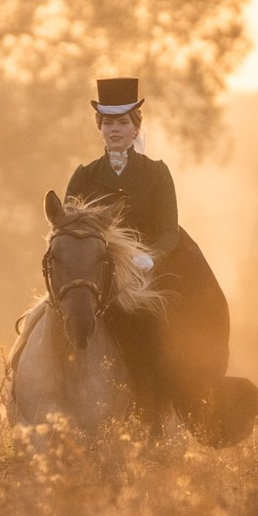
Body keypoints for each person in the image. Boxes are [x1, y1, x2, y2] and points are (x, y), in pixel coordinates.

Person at [61, 76, 230, 411]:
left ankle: (174, 396)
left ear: (136, 127)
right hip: (97, 273)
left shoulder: (156, 173)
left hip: (147, 272)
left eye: (123, 122)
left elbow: (170, 229)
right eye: (108, 123)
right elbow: (70, 229)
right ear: (100, 127)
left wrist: (148, 257)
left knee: (171, 323)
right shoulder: (84, 175)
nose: (115, 130)